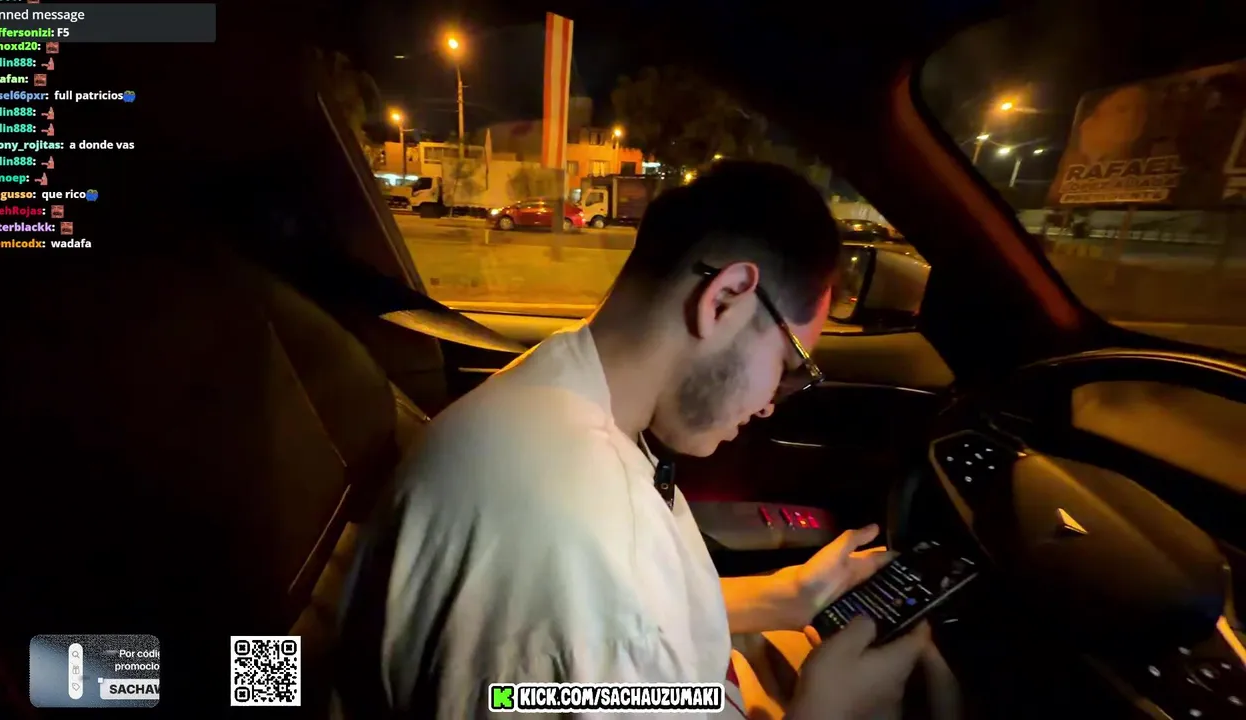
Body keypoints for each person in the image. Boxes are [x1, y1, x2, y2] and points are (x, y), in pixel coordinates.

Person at [336, 161, 957, 719]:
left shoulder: (561, 394)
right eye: (791, 363)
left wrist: (779, 596)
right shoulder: (577, 534)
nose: (773, 401)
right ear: (724, 299)